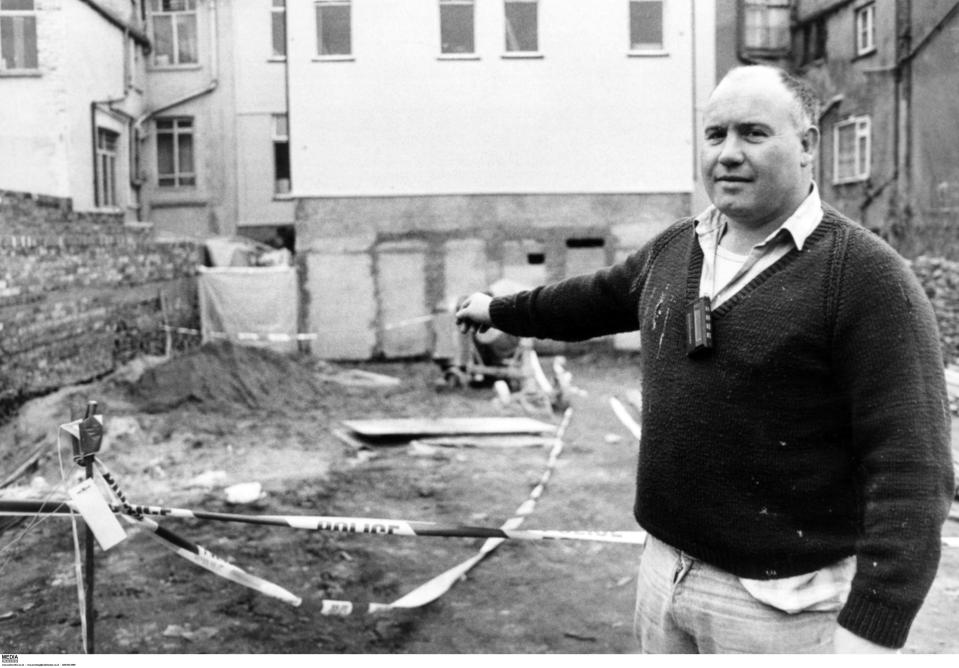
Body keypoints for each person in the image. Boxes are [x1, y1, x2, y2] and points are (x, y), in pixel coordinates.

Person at [455, 64, 954, 653]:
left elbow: (913, 469)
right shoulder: (678, 247)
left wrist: (875, 626)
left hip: (778, 604)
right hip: (664, 570)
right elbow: (586, 302)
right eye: (716, 135)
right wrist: (500, 309)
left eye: (754, 134)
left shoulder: (866, 278)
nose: (729, 154)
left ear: (808, 145)